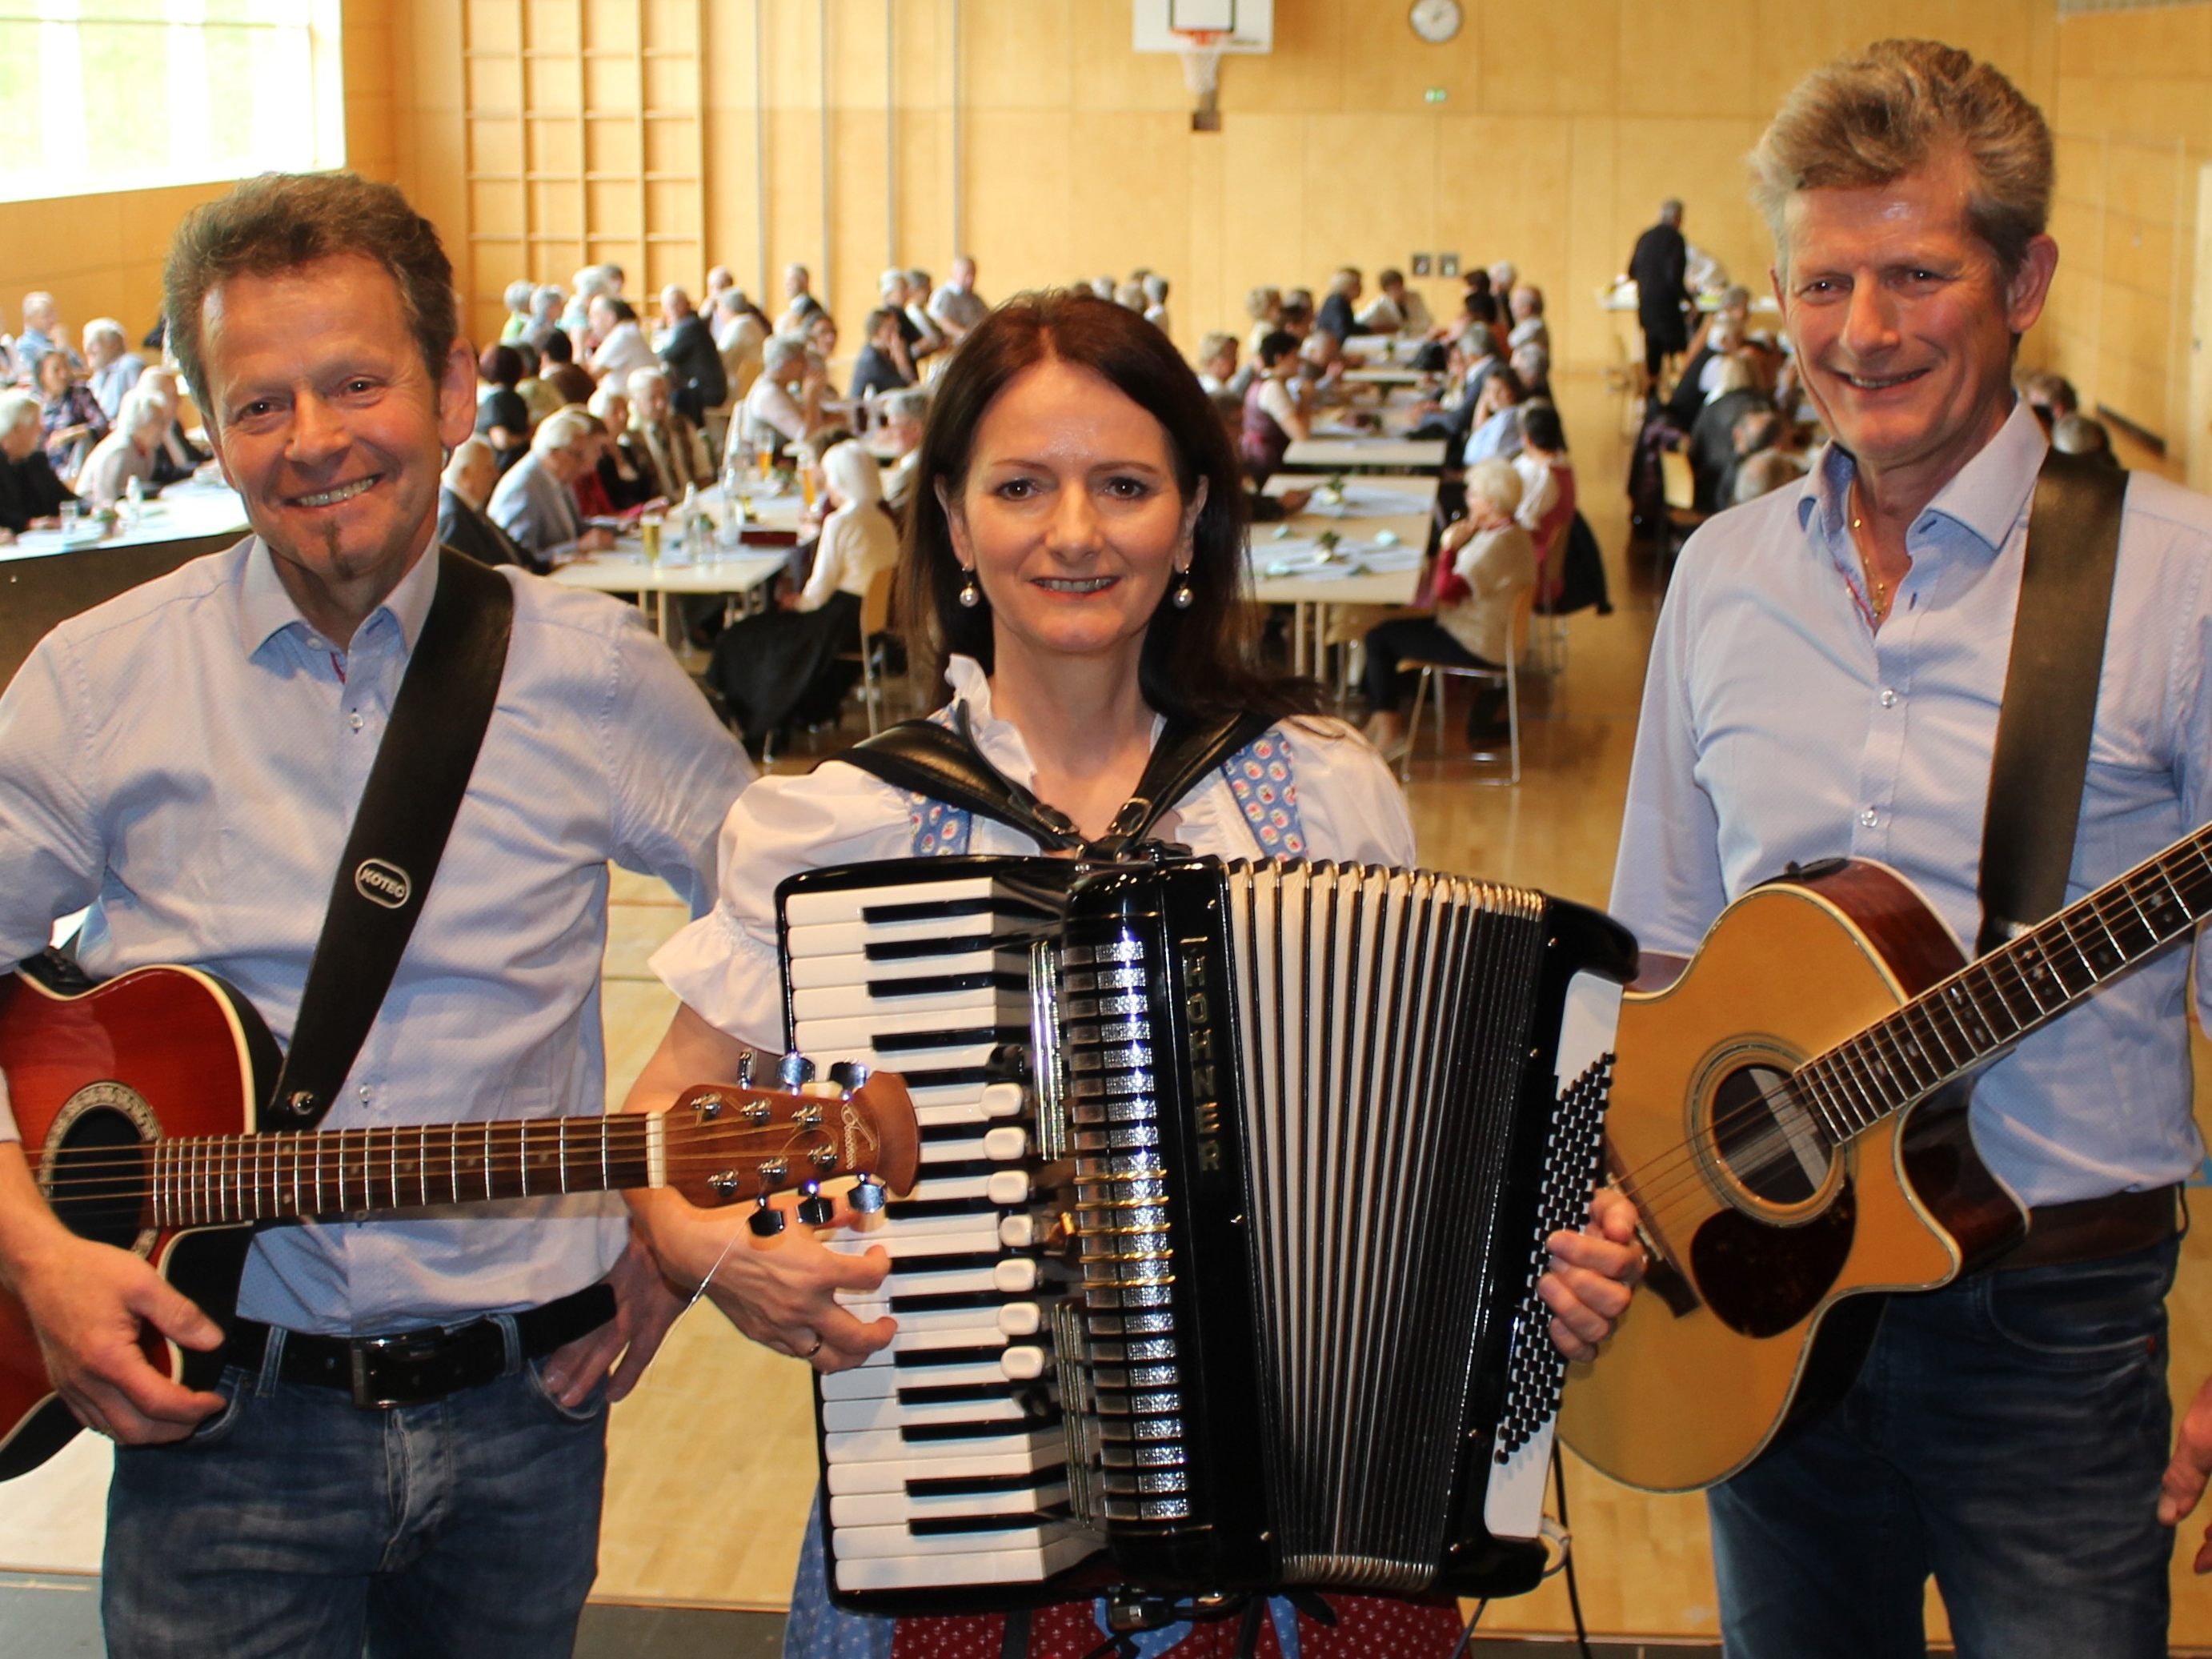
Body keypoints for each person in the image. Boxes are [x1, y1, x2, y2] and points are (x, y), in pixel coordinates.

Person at [619, 288, 1640, 1659]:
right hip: (959, 1520)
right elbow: (666, 1120)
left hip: (1312, 1529)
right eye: (1021, 486)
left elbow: (1448, 1157)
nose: (1075, 532)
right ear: (954, 522)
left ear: (1191, 518)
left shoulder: (1319, 791)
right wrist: (709, 1254)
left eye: (1121, 484)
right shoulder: (838, 823)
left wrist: (1557, 1265)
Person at [0, 170, 751, 1659]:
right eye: (259, 401)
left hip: (525, 1413)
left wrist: (663, 1229)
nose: (315, 440)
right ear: (205, 421)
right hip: (216, 1409)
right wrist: (28, 1244)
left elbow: (780, 910)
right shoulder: (98, 685)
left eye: (357, 382)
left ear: (455, 384)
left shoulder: (593, 675)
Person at [1611, 41, 2212, 1659]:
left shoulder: (2172, 580)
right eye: (1821, 284)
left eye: (1913, 274)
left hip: (2050, 1332)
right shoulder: (1722, 575)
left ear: (2022, 279)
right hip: (1753, 1306)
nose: (1859, 335)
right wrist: (1617, 1202)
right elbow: (1655, 952)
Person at [703, 438, 899, 750]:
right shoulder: (883, 520)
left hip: (837, 620)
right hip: (867, 621)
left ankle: (758, 721)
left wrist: (797, 602)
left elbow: (818, 592)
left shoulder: (841, 521)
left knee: (743, 636)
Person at [1361, 457, 1535, 759]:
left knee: (1379, 638)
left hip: (1477, 641)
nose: (1468, 498)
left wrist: (1448, 548)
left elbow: (1446, 592)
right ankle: (1379, 722)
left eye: (1473, 494)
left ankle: (1389, 731)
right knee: (1384, 629)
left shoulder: (1498, 545)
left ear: (1491, 502)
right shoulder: (1509, 532)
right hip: (1482, 630)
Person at [489, 403, 619, 566]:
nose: (583, 462)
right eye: (578, 455)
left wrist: (617, 528)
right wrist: (577, 547)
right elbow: (522, 557)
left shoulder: (560, 478)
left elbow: (577, 528)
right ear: (553, 453)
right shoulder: (523, 488)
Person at [438, 434, 535, 569]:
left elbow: (515, 553)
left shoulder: (471, 507)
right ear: (466, 474)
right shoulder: (453, 517)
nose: (496, 475)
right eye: (488, 469)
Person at [623, 364, 712, 502]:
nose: (661, 404)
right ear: (636, 402)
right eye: (652, 398)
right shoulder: (630, 439)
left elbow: (703, 470)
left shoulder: (681, 424)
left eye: (664, 396)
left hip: (692, 501)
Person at [1627, 197, 1692, 382]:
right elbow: (1674, 278)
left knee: (1652, 354)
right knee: (1681, 349)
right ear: (1678, 218)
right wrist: (1689, 300)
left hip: (1646, 308)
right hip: (1667, 311)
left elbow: (1631, 271)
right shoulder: (1676, 239)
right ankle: (1679, 389)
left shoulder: (1645, 237)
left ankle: (1652, 396)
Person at [74, 384, 166, 508]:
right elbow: (106, 499)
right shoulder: (120, 451)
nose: (163, 427)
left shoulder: (148, 448)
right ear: (141, 423)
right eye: (158, 422)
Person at [1238, 328, 1309, 483]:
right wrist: (1306, 399)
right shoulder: (1272, 389)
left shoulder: (1267, 381)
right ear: (1279, 358)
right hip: (1269, 463)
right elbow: (1301, 435)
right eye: (1295, 356)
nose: (1300, 362)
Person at [0, 387, 74, 530]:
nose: (41, 429)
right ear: (15, 429)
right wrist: (29, 524)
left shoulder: (36, 460)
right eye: (34, 423)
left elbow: (65, 499)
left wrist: (95, 507)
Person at [655, 284, 726, 427]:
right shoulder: (690, 323)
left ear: (686, 304)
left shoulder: (691, 326)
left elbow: (668, 355)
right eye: (668, 306)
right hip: (706, 389)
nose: (672, 309)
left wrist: (658, 335)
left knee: (670, 400)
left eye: (676, 304)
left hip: (707, 392)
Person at [35, 348, 107, 483]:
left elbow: (102, 425)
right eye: (56, 370)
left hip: (78, 467)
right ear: (42, 376)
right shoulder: (36, 404)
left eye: (66, 367)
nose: (64, 374)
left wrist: (72, 433)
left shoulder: (79, 394)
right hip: (49, 471)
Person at [472, 342, 531, 471]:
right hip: (519, 466)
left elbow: (502, 440)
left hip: (500, 468)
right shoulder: (517, 399)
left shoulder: (495, 401)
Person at [847, 305, 913, 403]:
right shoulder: (871, 359)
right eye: (890, 328)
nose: (896, 333)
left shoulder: (886, 352)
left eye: (896, 327)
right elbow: (903, 387)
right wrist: (901, 358)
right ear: (876, 331)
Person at [82, 319, 145, 419]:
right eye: (86, 344)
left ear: (114, 345)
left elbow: (140, 407)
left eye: (93, 344)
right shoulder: (98, 375)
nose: (87, 349)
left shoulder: (129, 365)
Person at [928, 253, 987, 342]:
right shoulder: (944, 295)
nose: (970, 279)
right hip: (956, 347)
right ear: (954, 274)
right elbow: (939, 321)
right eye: (967, 274)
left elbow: (987, 316)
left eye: (973, 274)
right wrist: (965, 335)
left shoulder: (975, 298)